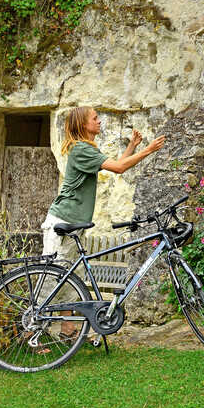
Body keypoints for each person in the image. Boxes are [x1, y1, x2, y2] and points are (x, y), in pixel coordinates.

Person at [40, 106, 165, 342]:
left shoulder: (86, 149)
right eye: (95, 119)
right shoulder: (81, 150)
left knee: (71, 278)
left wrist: (132, 147)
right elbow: (119, 168)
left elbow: (116, 165)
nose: (99, 122)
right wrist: (149, 150)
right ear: (83, 125)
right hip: (63, 220)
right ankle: (29, 329)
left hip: (74, 223)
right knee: (51, 277)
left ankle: (68, 330)